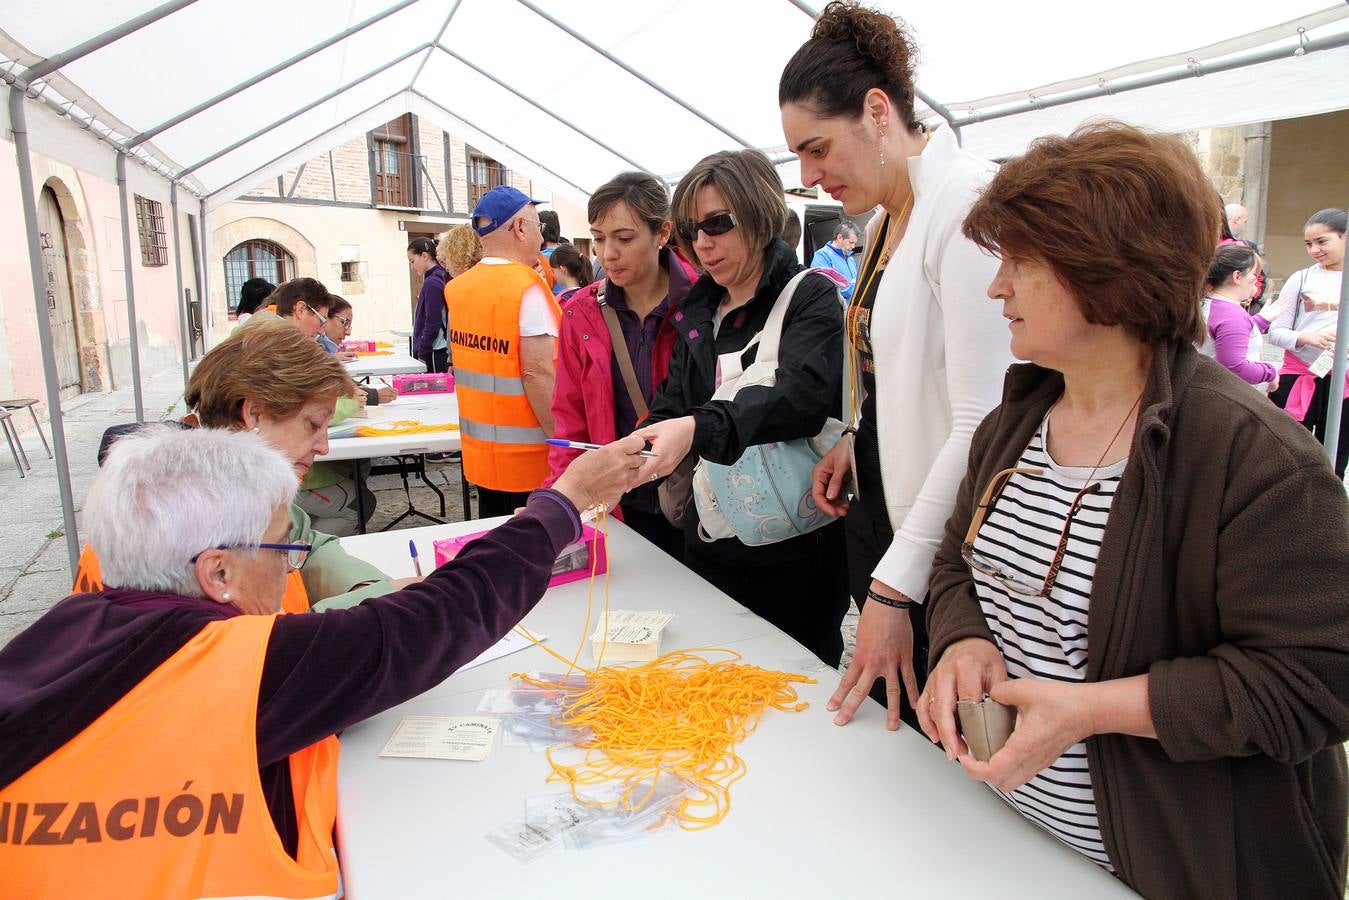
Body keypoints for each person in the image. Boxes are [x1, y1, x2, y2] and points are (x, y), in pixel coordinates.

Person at [916, 121, 1349, 898]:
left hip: (1176, 868)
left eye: (1019, 261)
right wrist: (961, 638)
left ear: (1105, 270)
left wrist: (1092, 710)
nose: (995, 287)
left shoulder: (1254, 457)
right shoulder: (1013, 422)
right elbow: (955, 565)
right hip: (1011, 846)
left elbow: (1317, 680)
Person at [0, 424, 645, 895]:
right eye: (281, 546)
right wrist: (561, 506)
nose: (291, 563)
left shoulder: (62, 628)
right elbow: (434, 620)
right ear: (217, 571)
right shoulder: (236, 668)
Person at [779, 0, 1011, 727]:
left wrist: (895, 587)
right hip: (886, 511)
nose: (811, 174)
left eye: (817, 148)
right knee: (897, 732)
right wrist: (857, 436)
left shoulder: (966, 205)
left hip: (945, 548)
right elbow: (905, 369)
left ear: (877, 111)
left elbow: (983, 416)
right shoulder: (886, 219)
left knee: (941, 739)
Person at [633, 149, 850, 666]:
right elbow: (671, 404)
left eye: (719, 224)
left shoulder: (810, 296)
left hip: (800, 551)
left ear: (759, 214)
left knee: (797, 688)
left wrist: (697, 427)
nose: (704, 243)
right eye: (693, 230)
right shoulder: (698, 312)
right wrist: (623, 456)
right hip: (711, 540)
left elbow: (799, 399)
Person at [74, 321, 390, 605]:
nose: (323, 447)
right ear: (254, 414)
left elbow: (307, 542)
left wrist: (369, 586)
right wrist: (373, 608)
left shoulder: (224, 488)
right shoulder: (182, 523)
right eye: (312, 425)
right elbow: (272, 643)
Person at [547, 171, 698, 557]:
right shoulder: (580, 312)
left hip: (700, 502)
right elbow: (570, 416)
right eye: (598, 238)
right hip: (620, 503)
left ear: (662, 232)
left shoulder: (705, 301)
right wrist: (560, 501)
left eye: (624, 238)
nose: (607, 254)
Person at [446, 186, 562, 517]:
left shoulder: (460, 289)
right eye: (538, 227)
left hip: (482, 456)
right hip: (530, 460)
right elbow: (537, 373)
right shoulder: (524, 288)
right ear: (520, 228)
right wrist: (564, 445)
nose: (541, 238)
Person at [1266, 208, 1348, 476]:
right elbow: (1275, 332)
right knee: (1285, 452)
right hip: (1300, 374)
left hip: (1344, 383)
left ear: (1344, 237)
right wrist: (1305, 337)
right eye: (1309, 244)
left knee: (1335, 457)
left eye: (1322, 241)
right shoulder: (1301, 278)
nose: (1314, 250)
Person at [1200, 244, 1288, 390]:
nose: (1256, 280)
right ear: (1237, 276)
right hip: (1224, 396)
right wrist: (1270, 373)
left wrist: (1260, 320)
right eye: (1254, 275)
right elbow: (1234, 366)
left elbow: (1227, 337)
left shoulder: (1207, 304)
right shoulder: (1231, 314)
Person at [235, 277, 334, 339]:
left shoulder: (263, 330)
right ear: (301, 310)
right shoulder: (271, 343)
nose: (322, 332)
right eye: (321, 321)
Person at [410, 237, 450, 374]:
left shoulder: (432, 282)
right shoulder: (442, 276)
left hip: (436, 351)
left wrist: (422, 353)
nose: (412, 267)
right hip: (443, 350)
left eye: (412, 261)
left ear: (424, 256)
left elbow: (432, 322)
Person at [809, 220, 861, 299]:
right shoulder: (822, 256)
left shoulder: (850, 259)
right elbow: (825, 289)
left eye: (855, 243)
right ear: (839, 237)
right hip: (836, 310)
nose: (853, 247)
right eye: (851, 242)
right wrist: (856, 288)